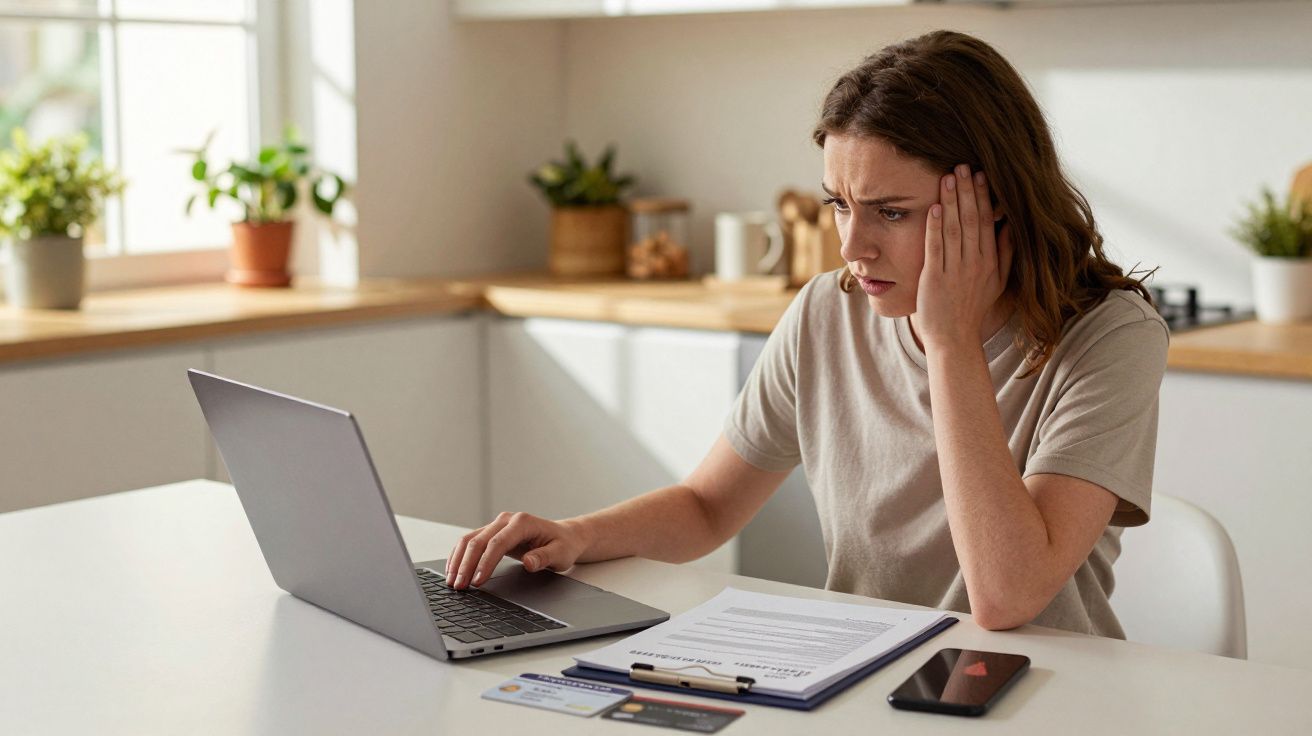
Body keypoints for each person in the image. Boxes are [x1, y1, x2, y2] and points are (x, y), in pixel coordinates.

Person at [445, 30, 1168, 638]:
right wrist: (577, 536)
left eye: (890, 212)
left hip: (1045, 691)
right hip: (872, 677)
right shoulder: (829, 311)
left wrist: (949, 346)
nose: (852, 245)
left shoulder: (1110, 338)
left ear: (994, 205)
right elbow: (706, 508)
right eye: (838, 204)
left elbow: (1007, 599)